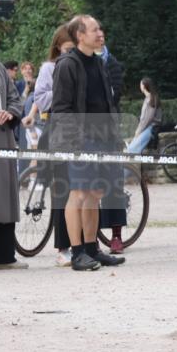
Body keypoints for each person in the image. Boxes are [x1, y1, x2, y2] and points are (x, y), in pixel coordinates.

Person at [50, 15, 126, 271]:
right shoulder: (67, 65)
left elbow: (107, 103)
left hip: (102, 138)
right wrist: (76, 140)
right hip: (79, 140)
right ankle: (77, 252)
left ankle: (92, 248)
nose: (101, 33)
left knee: (95, 193)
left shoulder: (99, 63)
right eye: (95, 29)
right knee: (79, 193)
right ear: (80, 35)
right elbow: (60, 108)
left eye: (101, 28)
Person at [27, 25, 75, 266]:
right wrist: (64, 94)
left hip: (78, 129)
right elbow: (42, 99)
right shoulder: (49, 68)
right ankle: (63, 246)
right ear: (58, 48)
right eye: (67, 49)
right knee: (62, 189)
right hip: (56, 129)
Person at [0, 26, 28, 270]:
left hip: (3, 142)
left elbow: (16, 99)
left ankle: (4, 256)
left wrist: (9, 113)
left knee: (4, 198)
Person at [96, 26, 128, 253]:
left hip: (108, 128)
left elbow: (114, 95)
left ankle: (116, 233)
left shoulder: (112, 64)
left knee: (113, 181)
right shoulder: (80, 61)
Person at [126, 78, 162, 153]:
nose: (140, 86)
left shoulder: (151, 98)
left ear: (144, 86)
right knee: (130, 148)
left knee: (132, 149)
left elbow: (148, 118)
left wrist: (139, 130)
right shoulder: (147, 98)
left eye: (140, 84)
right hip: (146, 127)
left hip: (150, 128)